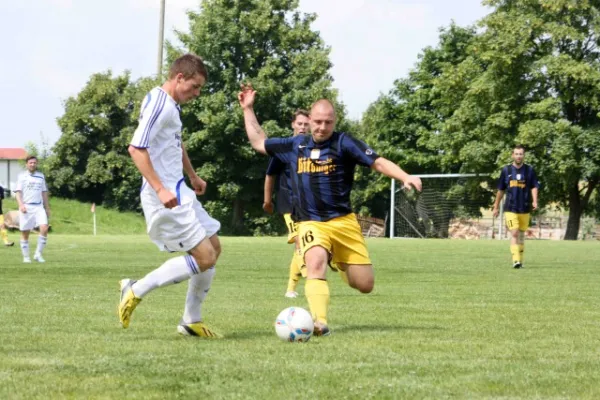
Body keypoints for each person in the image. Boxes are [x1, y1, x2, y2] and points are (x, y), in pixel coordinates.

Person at [238, 85, 422, 336]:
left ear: (334, 122)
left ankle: (338, 261)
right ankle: (320, 322)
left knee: (365, 284)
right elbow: (259, 141)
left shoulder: (344, 143)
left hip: (344, 222)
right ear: (309, 121)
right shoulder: (295, 145)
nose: (322, 127)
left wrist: (404, 176)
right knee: (314, 263)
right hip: (310, 222)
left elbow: (377, 161)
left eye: (328, 122)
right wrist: (248, 109)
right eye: (317, 122)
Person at [119, 54, 222, 338]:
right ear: (179, 78)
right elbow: (136, 148)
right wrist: (160, 188)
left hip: (180, 188)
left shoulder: (172, 107)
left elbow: (175, 143)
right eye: (195, 86)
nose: (197, 93)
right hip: (165, 193)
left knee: (214, 247)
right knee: (204, 257)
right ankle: (135, 288)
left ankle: (191, 320)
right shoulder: (159, 104)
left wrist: (192, 174)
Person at [263, 109, 310, 298]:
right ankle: (311, 277)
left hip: (307, 205)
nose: (303, 127)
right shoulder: (285, 148)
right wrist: (267, 200)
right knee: (300, 243)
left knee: (303, 244)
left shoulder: (314, 148)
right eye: (300, 124)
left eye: (306, 124)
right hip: (288, 203)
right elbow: (270, 174)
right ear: (293, 125)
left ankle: (291, 289)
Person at [492, 145, 540, 269]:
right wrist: (496, 206)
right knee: (514, 233)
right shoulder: (506, 171)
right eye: (517, 154)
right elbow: (500, 190)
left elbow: (534, 186)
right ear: (513, 155)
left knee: (522, 235)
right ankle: (516, 261)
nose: (519, 156)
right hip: (510, 208)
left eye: (521, 154)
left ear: (524, 156)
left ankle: (520, 261)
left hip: (524, 207)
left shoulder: (529, 170)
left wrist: (535, 201)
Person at [15, 156, 50, 262]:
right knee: (25, 233)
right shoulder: (22, 177)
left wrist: (47, 207)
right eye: (30, 163)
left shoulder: (41, 176)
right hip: (26, 207)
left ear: (37, 164)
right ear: (27, 164)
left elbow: (44, 192)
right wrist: (21, 205)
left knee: (44, 228)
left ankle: (38, 255)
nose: (32, 164)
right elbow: (18, 193)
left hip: (39, 207)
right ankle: (26, 257)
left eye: (34, 163)